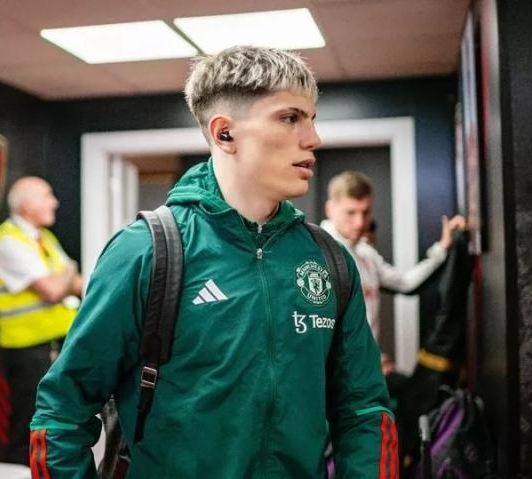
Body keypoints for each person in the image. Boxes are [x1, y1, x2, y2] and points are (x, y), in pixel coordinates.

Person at [30, 46, 397, 478]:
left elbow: (364, 411)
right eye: (289, 118)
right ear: (224, 134)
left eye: (312, 119)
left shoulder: (328, 258)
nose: (313, 138)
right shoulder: (146, 251)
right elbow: (62, 412)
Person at [0, 176, 83, 464]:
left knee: (57, 422)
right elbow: (53, 289)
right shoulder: (5, 242)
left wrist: (64, 278)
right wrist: (66, 273)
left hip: (57, 344)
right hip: (28, 349)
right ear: (26, 205)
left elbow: (78, 284)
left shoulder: (44, 238)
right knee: (29, 423)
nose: (55, 202)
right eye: (46, 196)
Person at [321, 170, 465, 343]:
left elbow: (405, 284)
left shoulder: (365, 252)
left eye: (365, 212)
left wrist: (442, 248)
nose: (359, 223)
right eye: (350, 213)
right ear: (330, 209)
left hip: (365, 357)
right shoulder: (317, 254)